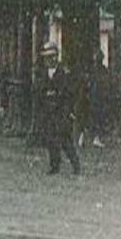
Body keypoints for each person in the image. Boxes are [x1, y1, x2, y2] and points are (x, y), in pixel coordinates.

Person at [36, 44, 81, 174]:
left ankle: (75, 165)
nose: (48, 60)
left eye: (51, 57)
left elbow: (69, 92)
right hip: (48, 111)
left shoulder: (63, 73)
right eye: (46, 58)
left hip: (61, 111)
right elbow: (39, 89)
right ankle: (54, 166)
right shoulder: (43, 73)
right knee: (51, 139)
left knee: (65, 139)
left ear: (56, 57)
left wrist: (67, 109)